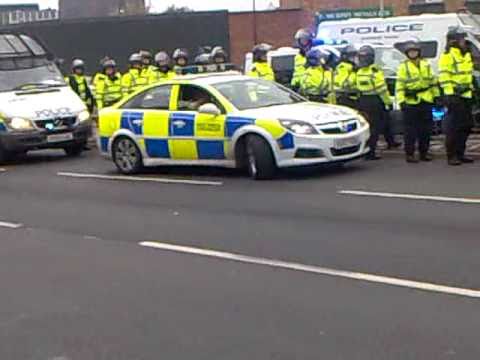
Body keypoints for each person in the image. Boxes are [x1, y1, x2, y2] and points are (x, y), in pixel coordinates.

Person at [396, 40, 439, 163]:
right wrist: (402, 101)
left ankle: (424, 153)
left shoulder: (426, 65)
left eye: (414, 51)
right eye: (410, 52)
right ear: (407, 53)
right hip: (411, 102)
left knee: (425, 130)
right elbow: (399, 86)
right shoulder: (403, 67)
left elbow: (433, 82)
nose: (413, 53)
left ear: (419, 52)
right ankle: (410, 154)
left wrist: (436, 97)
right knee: (410, 131)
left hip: (426, 100)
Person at [439, 27, 475, 165]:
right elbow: (444, 76)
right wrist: (449, 94)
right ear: (454, 40)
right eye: (461, 39)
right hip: (454, 97)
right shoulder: (448, 56)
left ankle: (461, 153)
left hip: (466, 95)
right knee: (454, 128)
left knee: (465, 126)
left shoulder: (465, 54)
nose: (463, 41)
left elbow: (467, 76)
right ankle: (452, 155)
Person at [353, 45, 393, 160]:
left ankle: (366, 150)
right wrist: (388, 102)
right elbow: (382, 89)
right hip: (375, 101)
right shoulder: (375, 71)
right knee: (375, 128)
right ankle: (371, 152)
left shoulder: (359, 72)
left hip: (363, 101)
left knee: (367, 126)